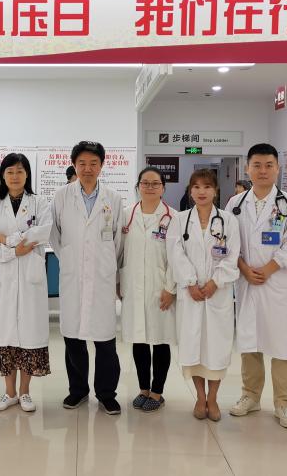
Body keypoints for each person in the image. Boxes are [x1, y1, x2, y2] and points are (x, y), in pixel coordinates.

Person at [225, 144, 287, 429]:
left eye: (269, 165)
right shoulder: (235, 204)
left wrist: (270, 267)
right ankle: (250, 396)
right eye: (257, 165)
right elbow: (227, 243)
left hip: (278, 284)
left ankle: (284, 403)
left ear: (277, 168)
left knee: (282, 344)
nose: (263, 171)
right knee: (250, 342)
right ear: (247, 168)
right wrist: (243, 268)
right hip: (246, 282)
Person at [50, 141, 125, 415]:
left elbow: (118, 240)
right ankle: (78, 390)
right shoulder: (61, 196)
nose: (88, 168)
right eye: (82, 163)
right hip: (73, 276)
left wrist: (109, 268)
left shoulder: (113, 198)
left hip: (102, 277)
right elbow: (55, 235)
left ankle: (106, 393)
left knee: (105, 340)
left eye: (93, 163)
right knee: (73, 338)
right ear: (74, 165)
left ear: (102, 166)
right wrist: (69, 258)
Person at [0, 153, 52, 413]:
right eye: (10, 171)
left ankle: (25, 393)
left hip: (30, 278)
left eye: (20, 171)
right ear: (3, 174)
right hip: (5, 275)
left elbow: (42, 232)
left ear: (27, 174)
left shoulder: (39, 203)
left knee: (30, 335)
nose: (14, 176)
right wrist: (14, 251)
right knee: (7, 334)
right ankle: (9, 393)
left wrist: (7, 239)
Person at [166, 169, 240, 422]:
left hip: (218, 293)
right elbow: (175, 253)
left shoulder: (228, 221)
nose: (201, 191)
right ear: (190, 191)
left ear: (215, 190)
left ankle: (213, 398)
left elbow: (232, 255)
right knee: (193, 347)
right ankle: (200, 397)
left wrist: (215, 282)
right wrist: (190, 282)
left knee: (216, 348)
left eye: (207, 186)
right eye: (196, 187)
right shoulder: (180, 220)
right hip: (191, 294)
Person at [119, 167, 176, 413]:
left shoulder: (173, 218)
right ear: (138, 186)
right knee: (139, 339)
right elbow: (119, 253)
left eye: (155, 183)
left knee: (160, 340)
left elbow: (176, 258)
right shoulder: (126, 216)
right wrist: (118, 281)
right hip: (133, 286)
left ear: (163, 187)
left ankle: (157, 392)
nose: (150, 187)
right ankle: (143, 389)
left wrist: (170, 288)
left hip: (161, 288)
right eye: (145, 183)